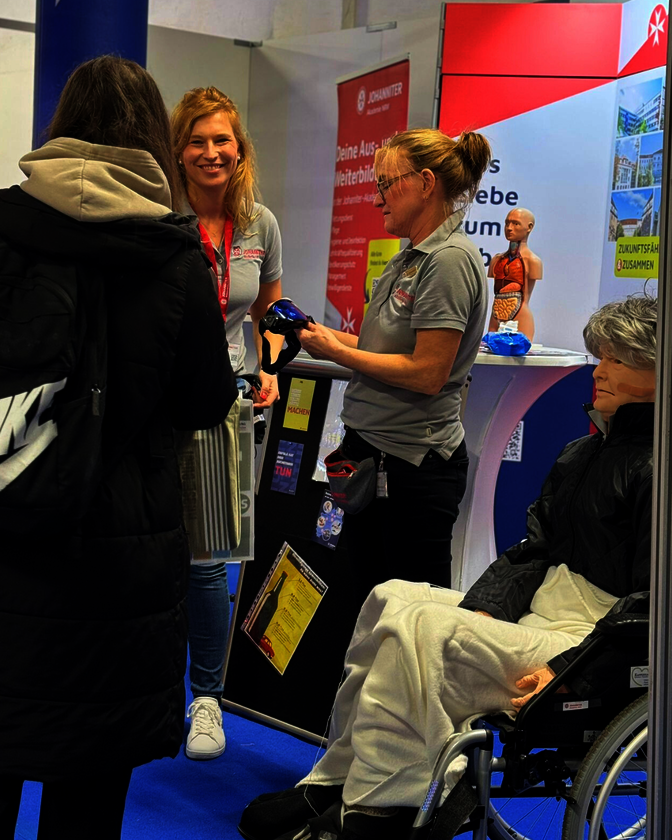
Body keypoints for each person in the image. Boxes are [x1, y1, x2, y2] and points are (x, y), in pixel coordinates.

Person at [239, 295, 655, 840]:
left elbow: (654, 604)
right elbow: (535, 551)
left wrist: (569, 667)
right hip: (545, 611)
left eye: (617, 360)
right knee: (391, 596)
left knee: (424, 628)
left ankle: (382, 808)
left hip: (589, 641)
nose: (598, 371)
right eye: (600, 356)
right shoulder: (583, 452)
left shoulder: (657, 468)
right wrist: (487, 608)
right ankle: (343, 776)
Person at [0, 57, 237, 839]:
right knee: (89, 797)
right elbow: (205, 400)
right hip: (120, 554)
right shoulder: (174, 255)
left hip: (10, 526)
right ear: (152, 140)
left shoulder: (4, 225)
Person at [297, 128, 491, 605]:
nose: (376, 197)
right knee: (371, 606)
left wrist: (337, 352)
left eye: (386, 183)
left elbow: (427, 373)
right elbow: (379, 349)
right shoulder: (409, 257)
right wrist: (317, 335)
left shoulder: (448, 260)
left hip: (412, 469)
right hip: (374, 455)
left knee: (414, 619)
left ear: (425, 183)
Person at [170, 87, 285, 760]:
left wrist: (270, 364)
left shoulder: (258, 223)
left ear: (240, 150)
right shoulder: (161, 214)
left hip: (225, 401)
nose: (211, 152)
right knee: (152, 547)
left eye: (222, 140)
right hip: (157, 401)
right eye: (198, 140)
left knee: (209, 556)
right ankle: (149, 687)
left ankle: (206, 700)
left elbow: (269, 310)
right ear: (179, 149)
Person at [487, 207, 543, 340]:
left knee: (520, 351)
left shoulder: (532, 261)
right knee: (490, 350)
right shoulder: (496, 260)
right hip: (497, 313)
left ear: (529, 227)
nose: (509, 228)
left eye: (516, 224)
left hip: (520, 314)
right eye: (507, 223)